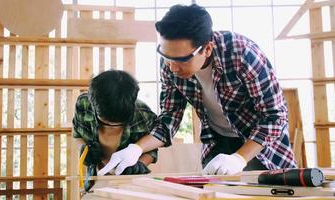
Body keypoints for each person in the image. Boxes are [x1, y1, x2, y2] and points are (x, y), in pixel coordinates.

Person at [98, 4, 297, 177]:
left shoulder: (242, 54)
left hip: (258, 143)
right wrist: (136, 148)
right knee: (212, 193)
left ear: (207, 49)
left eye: (182, 60)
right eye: (165, 56)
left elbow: (275, 116)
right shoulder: (170, 62)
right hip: (216, 139)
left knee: (265, 191)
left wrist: (239, 158)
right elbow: (169, 118)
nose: (172, 67)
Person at [72, 70, 158, 191]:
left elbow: (152, 148)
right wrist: (84, 149)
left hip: (131, 183)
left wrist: (141, 164)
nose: (112, 127)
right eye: (105, 122)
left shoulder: (144, 114)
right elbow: (77, 135)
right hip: (96, 179)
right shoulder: (83, 104)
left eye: (118, 123)